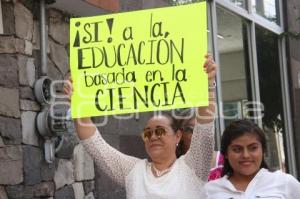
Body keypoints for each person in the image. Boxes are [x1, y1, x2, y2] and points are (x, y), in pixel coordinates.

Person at [64, 54, 217, 199]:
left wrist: (208, 85)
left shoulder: (193, 167)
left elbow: (205, 132)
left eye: (160, 131)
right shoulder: (133, 172)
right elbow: (95, 145)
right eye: (148, 133)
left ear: (177, 135)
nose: (153, 136)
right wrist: (79, 105)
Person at [201, 119, 300, 199]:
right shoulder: (209, 191)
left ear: (263, 150)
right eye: (237, 149)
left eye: (253, 148)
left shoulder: (284, 182)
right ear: (226, 154)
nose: (245, 155)